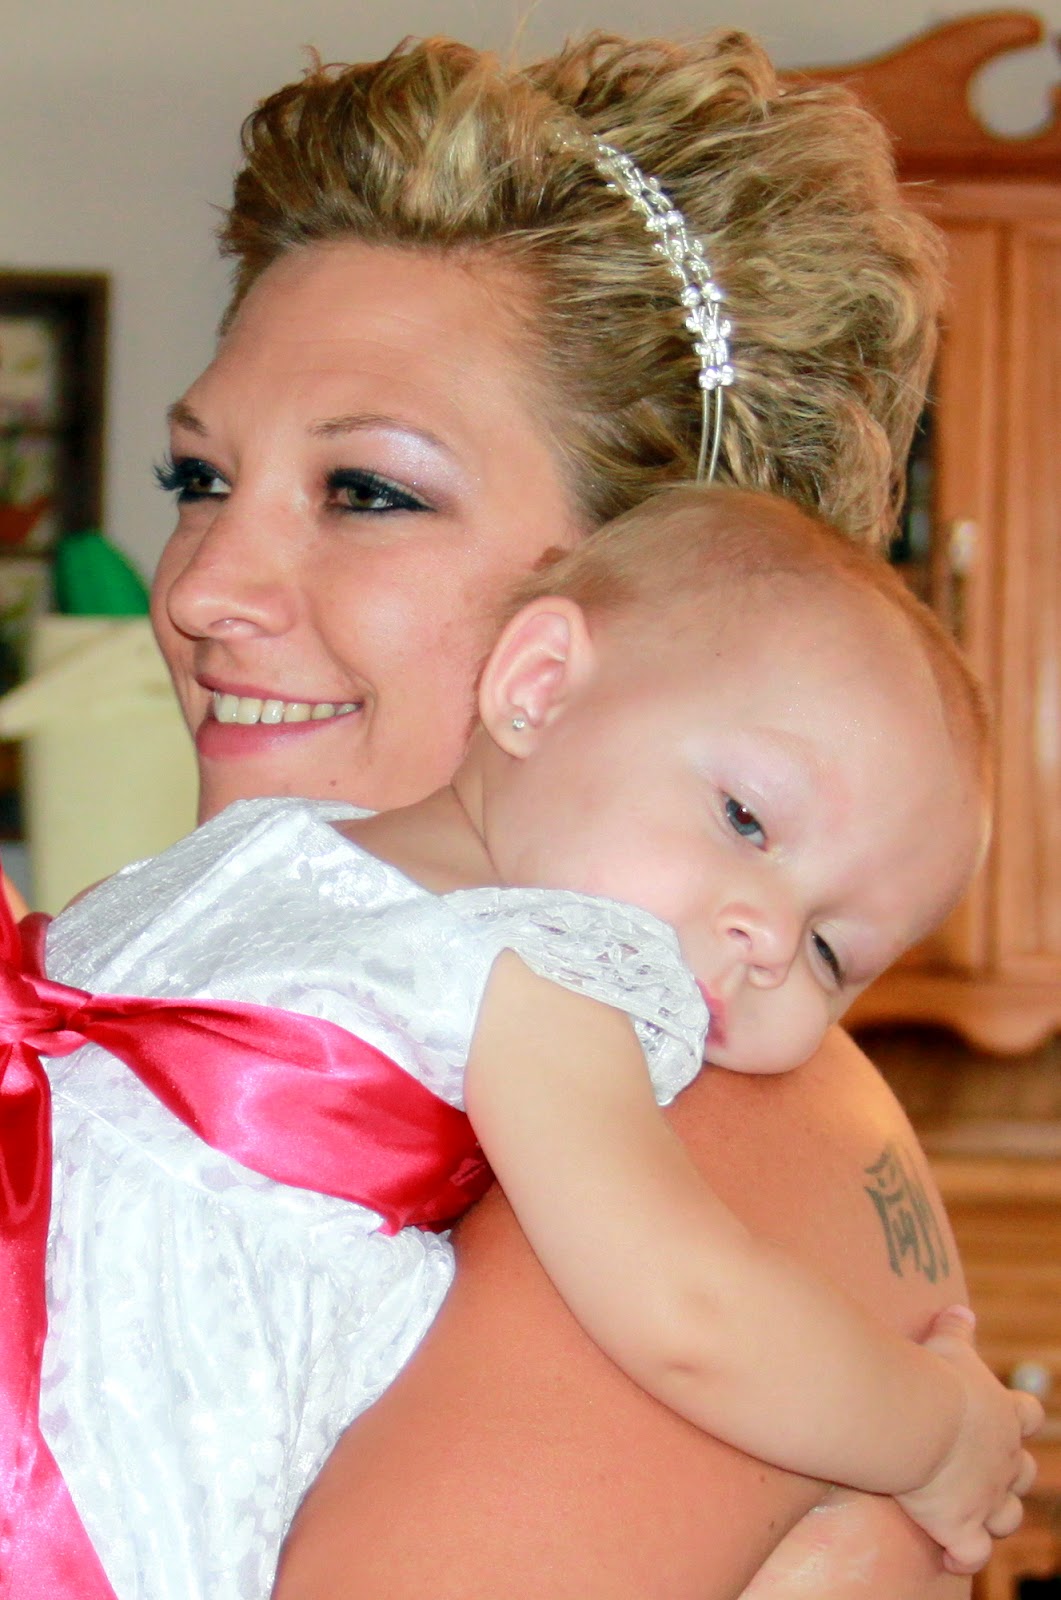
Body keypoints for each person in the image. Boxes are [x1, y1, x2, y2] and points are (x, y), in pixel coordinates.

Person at [96, 26, 1005, 1599]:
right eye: (201, 481)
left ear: (631, 596)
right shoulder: (271, 967)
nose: (202, 590)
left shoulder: (674, 1095)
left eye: (369, 492)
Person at [16, 484, 1036, 1600]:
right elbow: (690, 1311)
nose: (768, 937)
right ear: (537, 686)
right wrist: (936, 1431)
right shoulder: (531, 973)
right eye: (743, 819)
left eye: (832, 953)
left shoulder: (257, 851)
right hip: (82, 1478)